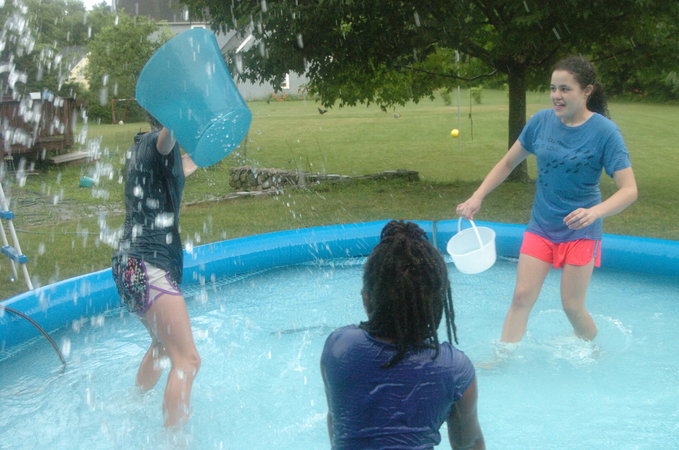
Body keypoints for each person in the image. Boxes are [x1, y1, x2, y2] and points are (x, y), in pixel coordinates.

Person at [456, 55, 638, 344]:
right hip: (541, 226)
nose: (556, 95)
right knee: (521, 296)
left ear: (587, 91)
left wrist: (594, 213)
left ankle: (594, 352)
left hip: (581, 231)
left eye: (565, 89)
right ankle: (503, 358)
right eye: (553, 88)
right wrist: (477, 196)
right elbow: (508, 163)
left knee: (572, 307)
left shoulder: (605, 133)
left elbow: (629, 190)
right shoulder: (540, 122)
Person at [321, 220, 485, 449]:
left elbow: (337, 423)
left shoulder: (339, 347)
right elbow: (469, 443)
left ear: (366, 299)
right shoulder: (453, 369)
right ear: (438, 305)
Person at [112, 113, 200, 428]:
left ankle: (132, 404)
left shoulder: (142, 150)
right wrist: (179, 110)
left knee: (162, 347)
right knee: (187, 360)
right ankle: (174, 441)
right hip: (149, 266)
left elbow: (182, 166)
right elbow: (167, 138)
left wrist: (202, 153)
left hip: (128, 265)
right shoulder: (157, 143)